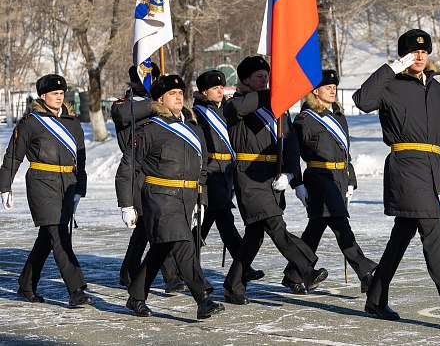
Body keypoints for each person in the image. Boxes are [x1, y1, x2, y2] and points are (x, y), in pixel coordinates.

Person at [353, 29, 440, 328]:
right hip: (406, 166)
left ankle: (376, 297)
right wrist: (390, 69)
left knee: (402, 235)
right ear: (402, 57)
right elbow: (362, 100)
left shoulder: (435, 89)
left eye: (423, 52)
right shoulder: (390, 85)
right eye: (412, 53)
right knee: (432, 233)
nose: (420, 56)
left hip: (431, 168)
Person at [222, 56, 326, 303]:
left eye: (267, 76)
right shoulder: (235, 103)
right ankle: (306, 269)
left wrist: (292, 175)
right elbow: (239, 109)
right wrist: (272, 93)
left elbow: (289, 143)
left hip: (273, 177)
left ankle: (233, 284)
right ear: (245, 79)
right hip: (249, 175)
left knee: (255, 235)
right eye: (259, 76)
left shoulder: (276, 108)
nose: (265, 80)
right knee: (276, 226)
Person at [125, 74, 224, 319]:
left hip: (187, 197)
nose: (179, 96)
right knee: (183, 243)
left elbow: (202, 168)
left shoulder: (193, 129)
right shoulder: (148, 129)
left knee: (162, 247)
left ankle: (136, 296)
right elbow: (128, 168)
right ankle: (203, 299)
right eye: (172, 93)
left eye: (180, 92)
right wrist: (126, 204)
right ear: (159, 99)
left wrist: (201, 200)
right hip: (159, 196)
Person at [0, 74, 92, 306]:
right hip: (42, 182)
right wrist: (5, 186)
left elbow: (80, 159)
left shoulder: (72, 123)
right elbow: (13, 155)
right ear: (43, 96)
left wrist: (80, 188)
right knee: (59, 235)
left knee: (48, 237)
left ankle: (26, 284)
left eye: (61, 93)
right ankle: (76, 289)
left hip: (67, 183)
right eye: (54, 94)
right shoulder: (31, 122)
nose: (59, 97)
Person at [283, 69, 377, 293]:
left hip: (339, 177)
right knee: (340, 224)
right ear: (315, 91)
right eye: (328, 87)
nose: (333, 90)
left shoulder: (339, 117)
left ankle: (294, 275)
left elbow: (346, 153)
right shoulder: (305, 120)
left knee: (316, 227)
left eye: (334, 86)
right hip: (319, 178)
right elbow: (292, 153)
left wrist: (351, 180)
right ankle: (365, 272)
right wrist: (298, 183)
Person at [112, 64, 185, 293]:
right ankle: (171, 276)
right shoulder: (124, 105)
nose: (151, 80)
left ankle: (129, 272)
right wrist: (156, 102)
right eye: (147, 77)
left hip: (159, 174)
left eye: (154, 77)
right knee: (155, 226)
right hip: (137, 174)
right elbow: (124, 116)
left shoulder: (159, 107)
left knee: (148, 227)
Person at [192, 70, 263, 281]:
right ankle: (244, 265)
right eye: (215, 88)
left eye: (222, 87)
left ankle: (183, 265)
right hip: (211, 169)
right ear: (204, 91)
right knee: (225, 219)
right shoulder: (197, 113)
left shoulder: (227, 110)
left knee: (203, 226)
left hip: (227, 171)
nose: (220, 91)